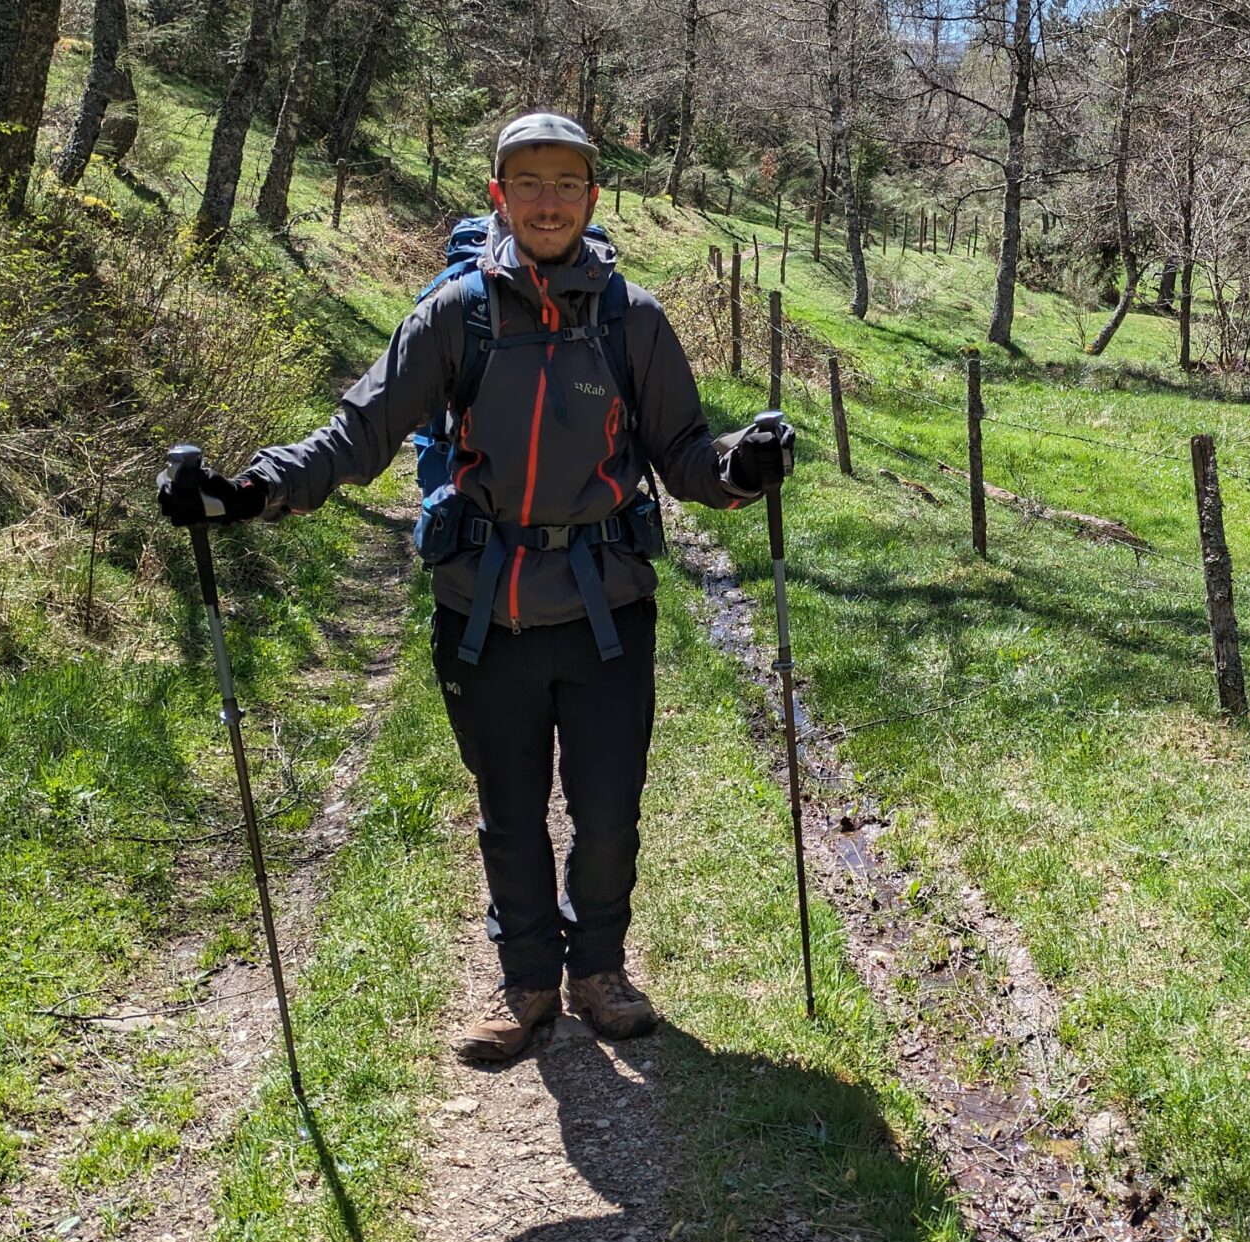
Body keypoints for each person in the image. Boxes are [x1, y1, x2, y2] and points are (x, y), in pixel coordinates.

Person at [158, 112, 794, 1064]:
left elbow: (684, 455)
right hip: (483, 612)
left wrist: (742, 465)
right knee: (508, 810)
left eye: (566, 184)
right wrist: (245, 493)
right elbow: (355, 439)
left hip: (606, 610)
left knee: (609, 807)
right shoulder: (455, 316)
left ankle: (599, 970)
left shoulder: (635, 320)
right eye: (528, 183)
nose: (547, 201)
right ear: (499, 196)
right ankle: (531, 981)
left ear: (591, 197)